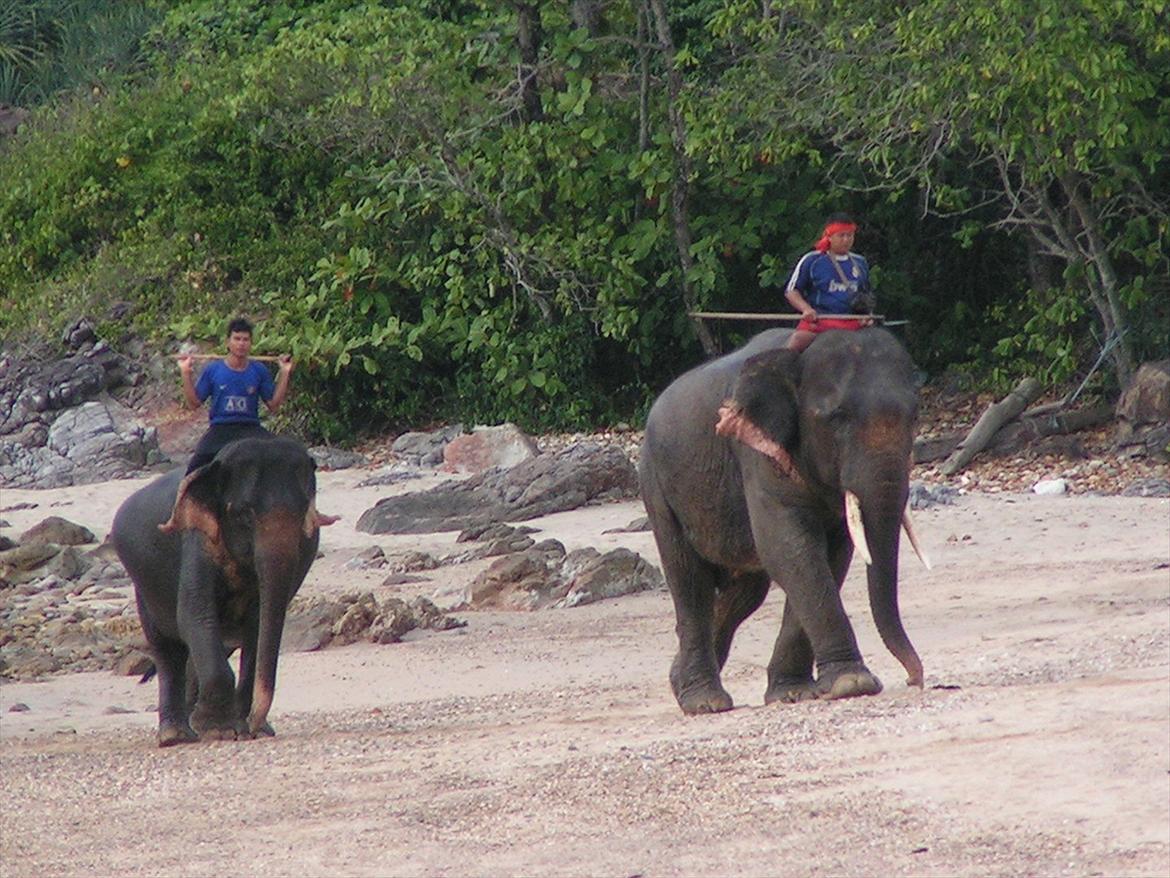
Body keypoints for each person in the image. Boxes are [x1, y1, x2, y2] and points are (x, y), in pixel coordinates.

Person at [179, 317, 293, 473]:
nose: (241, 344)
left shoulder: (259, 370)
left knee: (284, 456)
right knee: (194, 467)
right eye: (237, 339)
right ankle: (183, 496)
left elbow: (273, 405)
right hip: (220, 428)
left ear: (251, 343)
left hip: (250, 428)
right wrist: (185, 373)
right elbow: (193, 404)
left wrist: (285, 372)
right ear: (228, 342)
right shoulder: (213, 370)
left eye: (245, 339)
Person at [783, 213, 876, 352]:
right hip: (820, 321)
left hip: (853, 323)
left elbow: (865, 294)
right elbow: (792, 291)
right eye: (841, 235)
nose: (846, 240)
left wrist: (867, 315)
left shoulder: (860, 262)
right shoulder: (812, 260)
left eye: (849, 235)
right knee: (797, 341)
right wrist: (806, 309)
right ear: (829, 236)